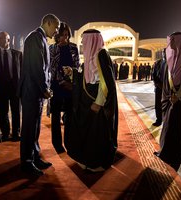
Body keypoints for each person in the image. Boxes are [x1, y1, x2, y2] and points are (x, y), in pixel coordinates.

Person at [65, 29, 118, 172]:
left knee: (97, 133)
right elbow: (85, 76)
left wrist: (99, 102)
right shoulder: (90, 56)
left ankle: (97, 162)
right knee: (87, 132)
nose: (82, 42)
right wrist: (73, 72)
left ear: (92, 39)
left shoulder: (101, 54)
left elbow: (105, 82)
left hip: (96, 102)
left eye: (84, 39)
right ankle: (87, 159)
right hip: (87, 100)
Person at [17, 14, 60, 176]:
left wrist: (43, 89)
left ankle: (34, 157)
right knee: (29, 128)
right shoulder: (35, 37)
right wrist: (45, 88)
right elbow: (37, 67)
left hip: (36, 92)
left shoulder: (40, 38)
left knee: (35, 128)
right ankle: (26, 163)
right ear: (48, 23)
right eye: (55, 27)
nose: (56, 31)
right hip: (31, 91)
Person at [154, 32, 181, 171]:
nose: (170, 43)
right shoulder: (172, 57)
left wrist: (178, 95)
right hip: (171, 100)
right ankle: (165, 153)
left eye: (173, 40)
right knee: (168, 127)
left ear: (179, 41)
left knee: (177, 130)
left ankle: (174, 157)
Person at [49, 22, 80, 153]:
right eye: (62, 35)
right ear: (57, 35)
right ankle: (57, 144)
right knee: (55, 117)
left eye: (67, 35)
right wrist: (61, 80)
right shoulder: (52, 48)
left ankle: (69, 141)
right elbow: (50, 68)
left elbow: (77, 66)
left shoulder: (73, 48)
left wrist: (70, 81)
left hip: (70, 86)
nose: (65, 38)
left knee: (69, 116)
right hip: (56, 86)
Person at [0, 31, 22, 142]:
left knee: (16, 111)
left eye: (2, 38)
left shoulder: (18, 54)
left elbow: (22, 71)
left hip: (14, 87)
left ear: (8, 40)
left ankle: (16, 133)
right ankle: (5, 133)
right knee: (3, 111)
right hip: (1, 88)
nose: (0, 40)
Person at [152, 48, 166, 127]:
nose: (164, 53)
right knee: (158, 104)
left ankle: (165, 120)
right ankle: (159, 120)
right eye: (164, 52)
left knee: (165, 105)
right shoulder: (158, 62)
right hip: (158, 87)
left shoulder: (171, 63)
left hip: (166, 88)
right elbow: (154, 73)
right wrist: (156, 83)